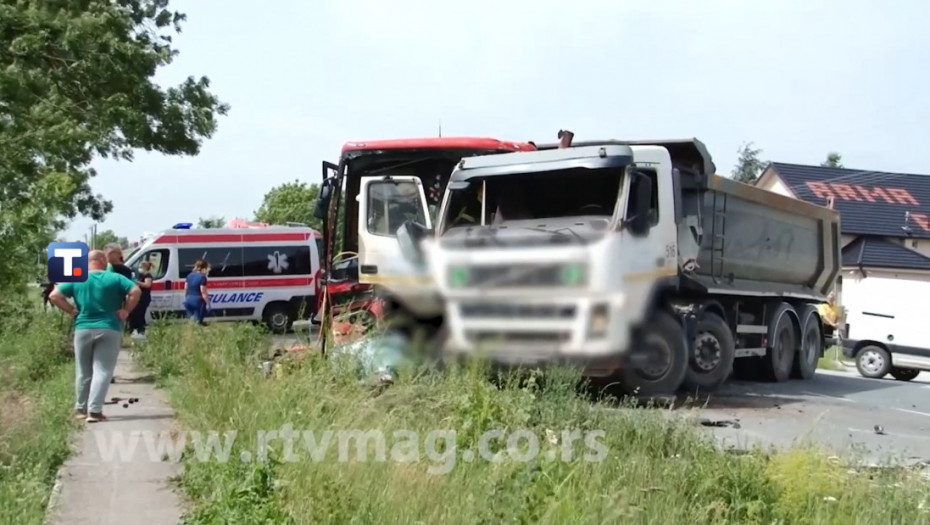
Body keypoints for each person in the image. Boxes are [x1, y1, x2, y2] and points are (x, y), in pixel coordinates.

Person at [47, 250, 141, 423]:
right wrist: (126, 310)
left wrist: (71, 310)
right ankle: (94, 411)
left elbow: (54, 295)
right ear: (102, 260)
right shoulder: (115, 279)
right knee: (103, 370)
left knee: (83, 371)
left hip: (83, 328)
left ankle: (80, 409)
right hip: (109, 327)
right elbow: (136, 291)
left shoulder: (76, 278)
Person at [129, 260, 153, 336]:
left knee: (140, 314)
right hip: (139, 297)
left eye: (141, 267)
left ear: (145, 267)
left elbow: (147, 285)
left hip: (144, 298)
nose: (140, 268)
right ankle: (134, 330)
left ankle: (141, 331)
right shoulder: (140, 275)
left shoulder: (148, 275)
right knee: (134, 314)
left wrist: (137, 282)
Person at [184, 259, 210, 325]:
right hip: (198, 301)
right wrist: (208, 304)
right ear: (204, 268)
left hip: (188, 300)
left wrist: (187, 298)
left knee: (191, 321)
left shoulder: (189, 276)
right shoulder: (202, 277)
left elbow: (185, 288)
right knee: (198, 322)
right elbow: (203, 292)